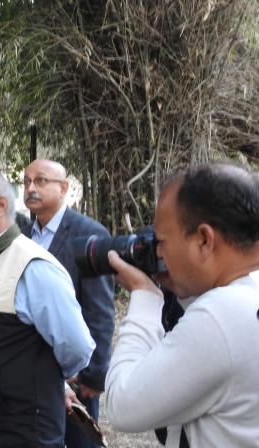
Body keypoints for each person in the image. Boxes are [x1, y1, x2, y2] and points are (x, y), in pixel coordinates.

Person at [105, 163, 259, 447]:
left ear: (203, 239)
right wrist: (184, 290)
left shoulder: (220, 317)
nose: (158, 252)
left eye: (161, 240)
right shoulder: (245, 295)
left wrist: (144, 296)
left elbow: (122, 406)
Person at [0, 171, 94, 447]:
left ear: (1, 205)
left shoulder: (33, 267)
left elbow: (76, 347)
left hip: (23, 436)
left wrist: (49, 381)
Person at [20, 159, 115, 448]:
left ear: (64, 188)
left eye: (40, 181)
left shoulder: (89, 234)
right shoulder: (22, 236)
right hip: (29, 370)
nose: (31, 188)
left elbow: (100, 311)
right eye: (26, 182)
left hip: (74, 375)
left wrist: (93, 376)